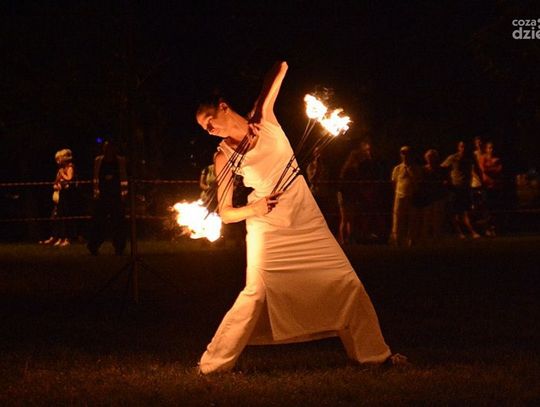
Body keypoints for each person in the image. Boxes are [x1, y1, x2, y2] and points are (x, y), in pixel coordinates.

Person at [195, 61, 405, 375]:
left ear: (223, 107)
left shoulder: (265, 118)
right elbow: (225, 212)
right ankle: (212, 364)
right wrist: (256, 208)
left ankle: (374, 355)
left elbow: (280, 67)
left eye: (209, 121)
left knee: (346, 283)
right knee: (256, 292)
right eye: (205, 129)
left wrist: (259, 111)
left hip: (305, 217)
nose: (210, 130)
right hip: (267, 226)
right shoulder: (223, 155)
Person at [87, 140, 128, 255]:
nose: (108, 151)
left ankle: (119, 247)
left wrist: (124, 195)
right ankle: (93, 246)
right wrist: (96, 193)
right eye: (106, 148)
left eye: (110, 148)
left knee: (118, 223)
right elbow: (95, 177)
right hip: (102, 197)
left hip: (117, 197)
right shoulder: (98, 161)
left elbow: (124, 177)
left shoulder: (121, 161)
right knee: (98, 223)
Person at [441, 141, 481, 239]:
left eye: (465, 147)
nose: (463, 149)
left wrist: (480, 181)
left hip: (466, 188)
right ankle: (463, 232)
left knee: (465, 211)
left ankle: (469, 232)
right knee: (455, 212)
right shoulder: (453, 158)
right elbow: (442, 168)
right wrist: (446, 180)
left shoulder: (470, 158)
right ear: (458, 147)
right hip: (455, 188)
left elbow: (476, 170)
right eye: (462, 146)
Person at [39, 149, 75, 246]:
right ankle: (57, 237)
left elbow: (69, 179)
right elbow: (56, 181)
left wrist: (62, 174)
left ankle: (66, 238)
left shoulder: (69, 168)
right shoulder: (61, 169)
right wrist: (56, 185)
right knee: (56, 216)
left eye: (59, 159)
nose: (57, 161)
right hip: (59, 195)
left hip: (66, 196)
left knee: (64, 216)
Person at [389, 146, 422, 247]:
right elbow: (394, 182)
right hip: (400, 196)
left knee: (413, 219)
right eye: (403, 153)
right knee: (398, 218)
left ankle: (412, 239)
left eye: (407, 153)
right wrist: (398, 192)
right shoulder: (397, 168)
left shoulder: (416, 168)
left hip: (412, 196)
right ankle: (397, 239)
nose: (405, 156)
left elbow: (418, 181)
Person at [418, 149, 448, 243]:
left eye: (432, 157)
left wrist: (445, 184)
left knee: (438, 218)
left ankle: (437, 236)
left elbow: (446, 180)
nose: (430, 159)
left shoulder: (441, 169)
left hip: (438, 196)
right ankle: (425, 237)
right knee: (426, 218)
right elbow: (421, 182)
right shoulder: (423, 169)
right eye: (428, 157)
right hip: (427, 197)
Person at [478, 141, 503, 236]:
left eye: (492, 148)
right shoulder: (483, 158)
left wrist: (490, 169)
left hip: (496, 186)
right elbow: (483, 169)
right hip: (486, 186)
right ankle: (487, 228)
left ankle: (494, 228)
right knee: (486, 208)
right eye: (489, 148)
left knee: (495, 207)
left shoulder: (497, 159)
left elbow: (499, 169)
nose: (491, 150)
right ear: (486, 149)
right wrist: (493, 168)